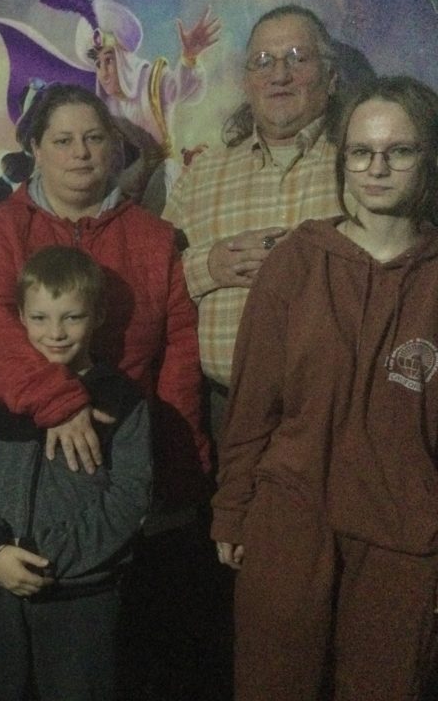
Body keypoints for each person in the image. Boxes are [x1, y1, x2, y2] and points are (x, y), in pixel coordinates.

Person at [0, 82, 212, 699]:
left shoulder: (153, 238)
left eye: (95, 138)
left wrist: (181, 475)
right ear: (35, 150)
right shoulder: (1, 228)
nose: (80, 153)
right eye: (63, 140)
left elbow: (177, 355)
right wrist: (60, 401)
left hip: (109, 485)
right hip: (13, 474)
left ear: (115, 150)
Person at [212, 75, 438, 701]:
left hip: (404, 537)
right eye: (361, 152)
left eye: (399, 151)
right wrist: (232, 508)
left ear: (429, 157)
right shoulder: (298, 261)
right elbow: (252, 404)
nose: (377, 168)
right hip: (291, 522)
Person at [0, 245, 152, 700]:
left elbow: (129, 498)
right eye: (41, 318)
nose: (56, 333)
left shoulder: (123, 401)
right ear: (20, 319)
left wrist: (43, 559)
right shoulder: (0, 394)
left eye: (72, 317)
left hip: (80, 599)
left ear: (98, 316)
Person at [163, 5, 345, 437]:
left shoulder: (361, 166)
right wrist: (209, 266)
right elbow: (154, 280)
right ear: (247, 82)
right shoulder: (202, 173)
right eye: (263, 62)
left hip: (337, 412)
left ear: (332, 78)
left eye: (298, 58)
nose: (279, 75)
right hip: (222, 414)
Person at [0, 0, 220, 213]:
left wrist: (189, 57)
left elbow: (186, 88)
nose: (104, 72)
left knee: (166, 175)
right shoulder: (101, 104)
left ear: (123, 58)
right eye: (98, 64)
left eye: (109, 60)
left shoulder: (152, 80)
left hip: (161, 176)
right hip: (126, 178)